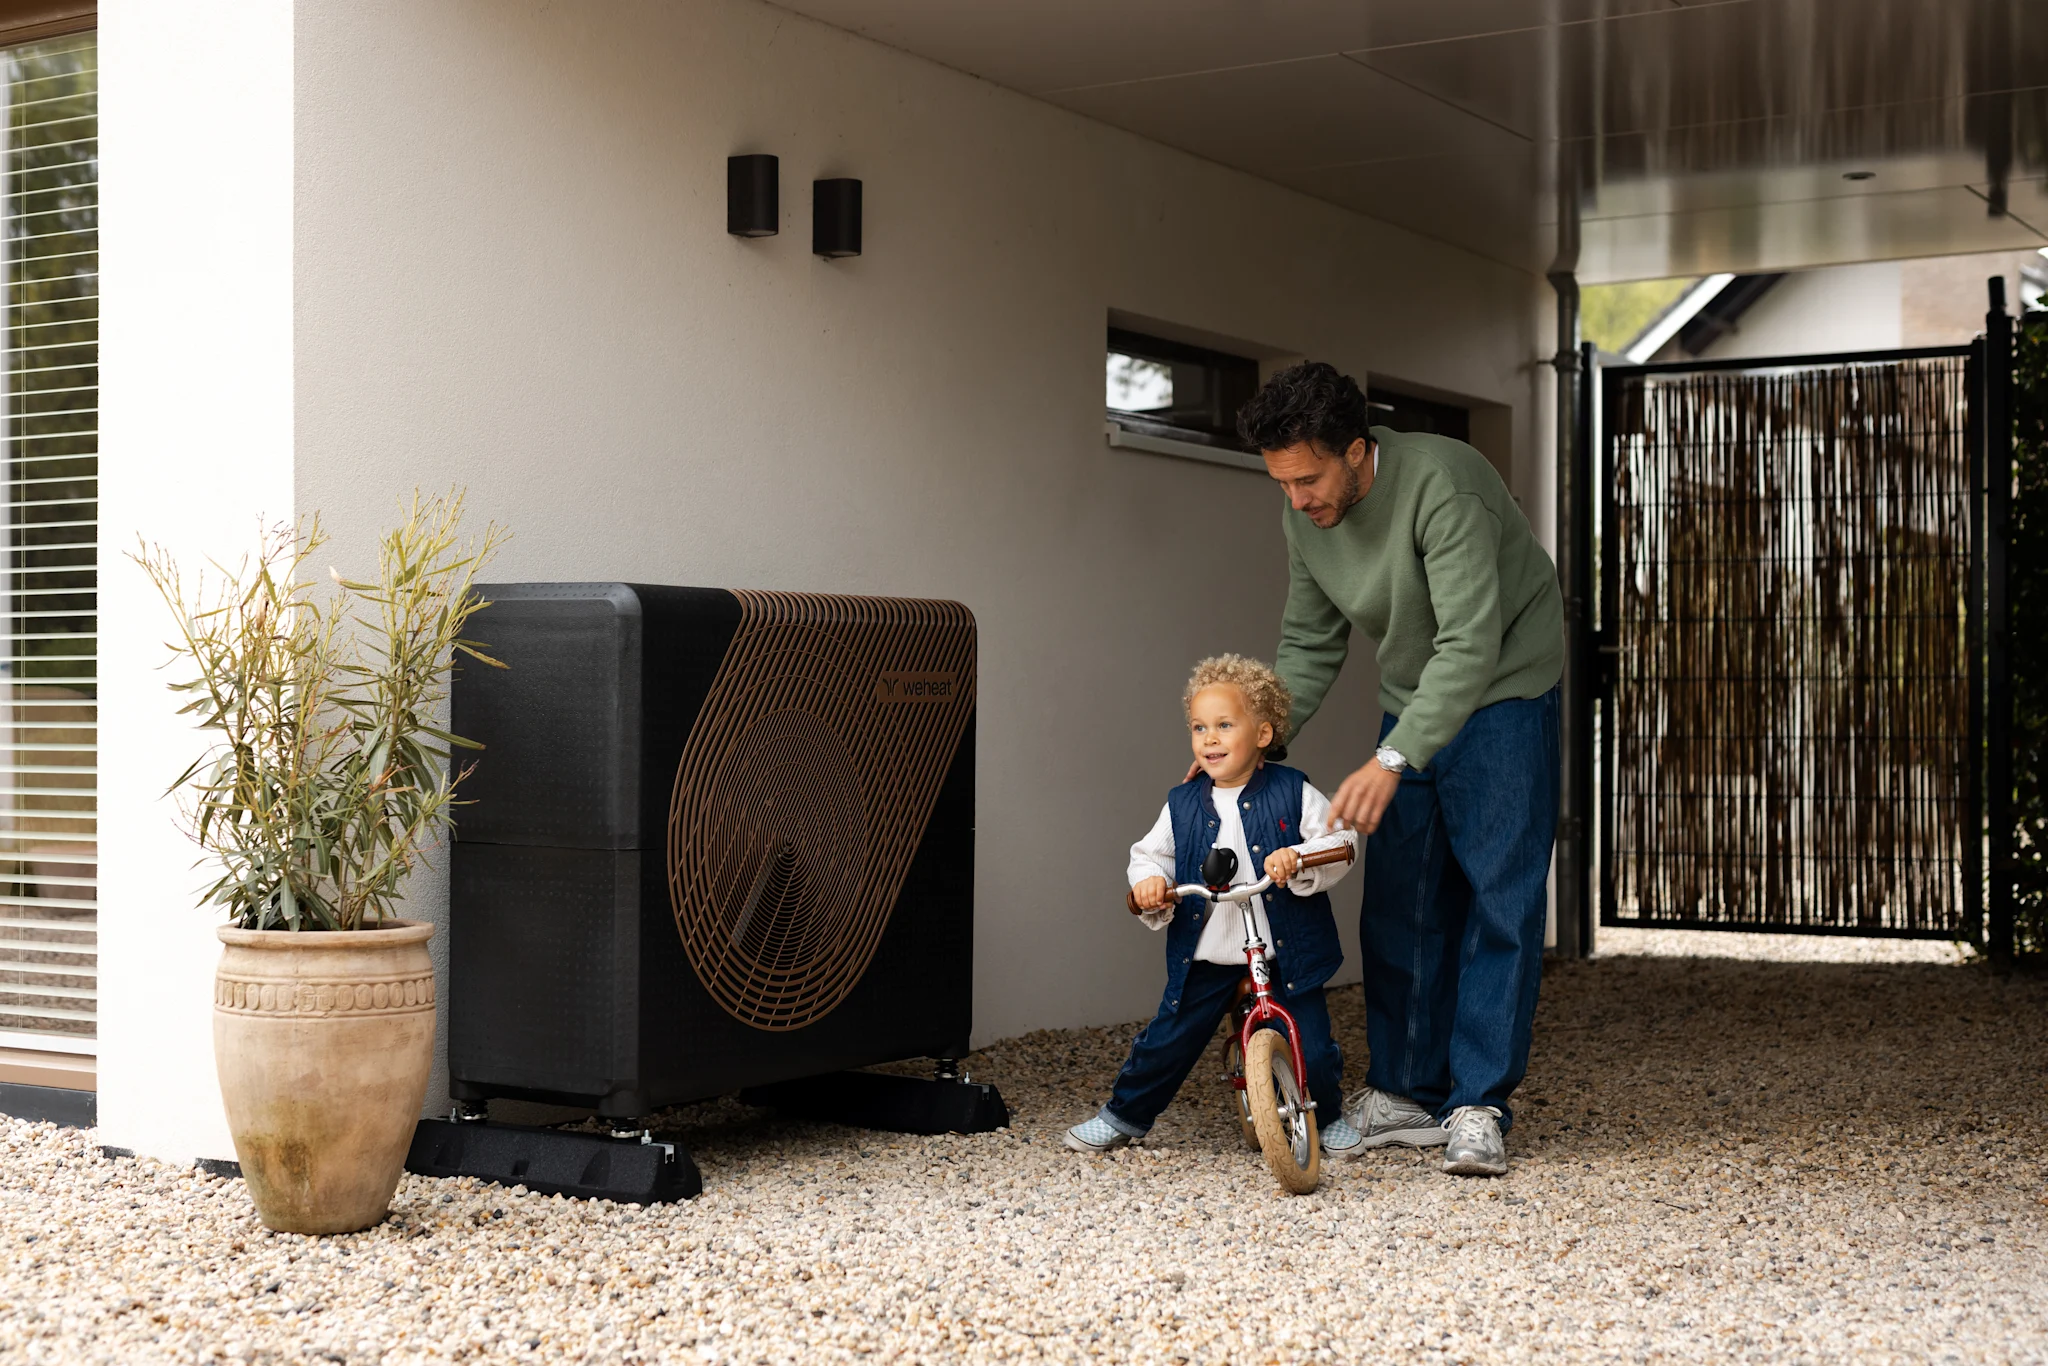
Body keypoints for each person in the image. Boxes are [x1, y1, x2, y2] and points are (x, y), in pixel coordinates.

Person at [1238, 362, 1563, 1178]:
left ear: (1357, 450)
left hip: (1505, 686)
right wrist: (1257, 739)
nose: (1297, 500)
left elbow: (1470, 644)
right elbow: (1309, 644)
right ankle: (1406, 1092)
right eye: (1282, 484)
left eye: (1308, 479)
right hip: (1417, 694)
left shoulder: (1444, 486)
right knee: (1399, 904)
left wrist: (1393, 756)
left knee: (1499, 899)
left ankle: (1478, 1103)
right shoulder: (1308, 516)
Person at [1064, 655, 1362, 1155]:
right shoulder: (1183, 802)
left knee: (1310, 1040)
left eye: (1225, 725)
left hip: (1283, 949)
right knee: (1170, 1036)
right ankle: (1124, 1115)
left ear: (1263, 734)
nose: (1210, 739)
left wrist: (1299, 856)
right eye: (1199, 728)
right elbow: (1149, 855)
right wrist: (1150, 883)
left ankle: (1326, 1116)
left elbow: (1341, 839)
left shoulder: (1292, 790)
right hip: (1211, 951)